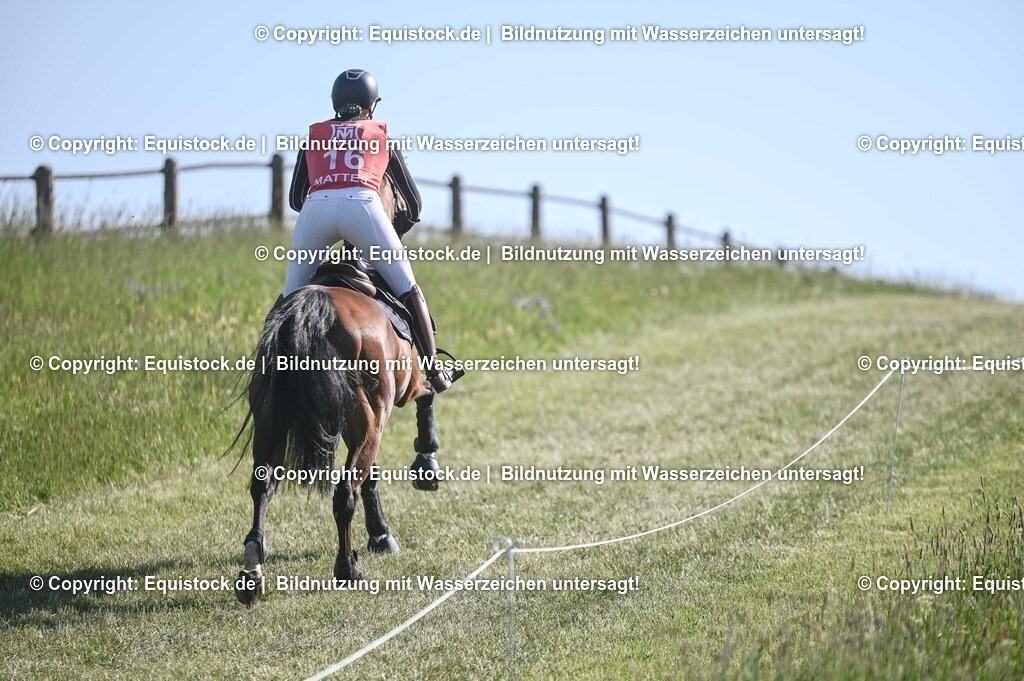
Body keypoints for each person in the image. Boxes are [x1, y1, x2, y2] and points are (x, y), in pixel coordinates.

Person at [283, 68, 458, 393]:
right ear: (370, 106)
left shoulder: (314, 136)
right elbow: (413, 204)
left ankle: (269, 370)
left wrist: (325, 201)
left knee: (289, 298)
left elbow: (295, 199)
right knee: (408, 288)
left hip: (316, 208)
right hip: (363, 205)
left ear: (336, 103)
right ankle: (434, 372)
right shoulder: (380, 136)